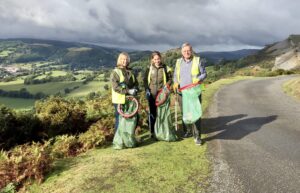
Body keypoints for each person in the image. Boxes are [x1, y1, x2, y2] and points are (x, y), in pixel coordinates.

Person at [173, 43, 207, 145]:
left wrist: (198, 79)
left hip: (194, 92)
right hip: (182, 92)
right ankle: (187, 131)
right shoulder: (178, 62)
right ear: (181, 52)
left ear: (191, 51)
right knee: (185, 113)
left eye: (188, 50)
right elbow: (175, 74)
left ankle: (197, 137)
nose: (186, 52)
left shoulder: (197, 60)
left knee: (195, 114)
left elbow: (204, 73)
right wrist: (175, 82)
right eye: (184, 51)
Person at [143, 51, 172, 139]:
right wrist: (147, 89)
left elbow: (170, 79)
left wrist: (167, 85)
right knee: (152, 113)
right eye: (155, 59)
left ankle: (161, 130)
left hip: (161, 95)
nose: (157, 61)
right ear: (152, 59)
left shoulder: (165, 68)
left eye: (158, 59)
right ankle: (152, 132)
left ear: (161, 58)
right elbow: (145, 80)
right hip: (151, 94)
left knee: (161, 113)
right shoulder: (149, 68)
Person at [110, 52, 139, 132]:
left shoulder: (130, 71)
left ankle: (129, 138)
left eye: (126, 59)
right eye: (123, 59)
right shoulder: (115, 72)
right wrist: (129, 91)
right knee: (120, 120)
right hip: (120, 100)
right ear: (119, 60)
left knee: (132, 119)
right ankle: (118, 140)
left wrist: (135, 89)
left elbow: (135, 83)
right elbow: (116, 87)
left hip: (130, 100)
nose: (125, 61)